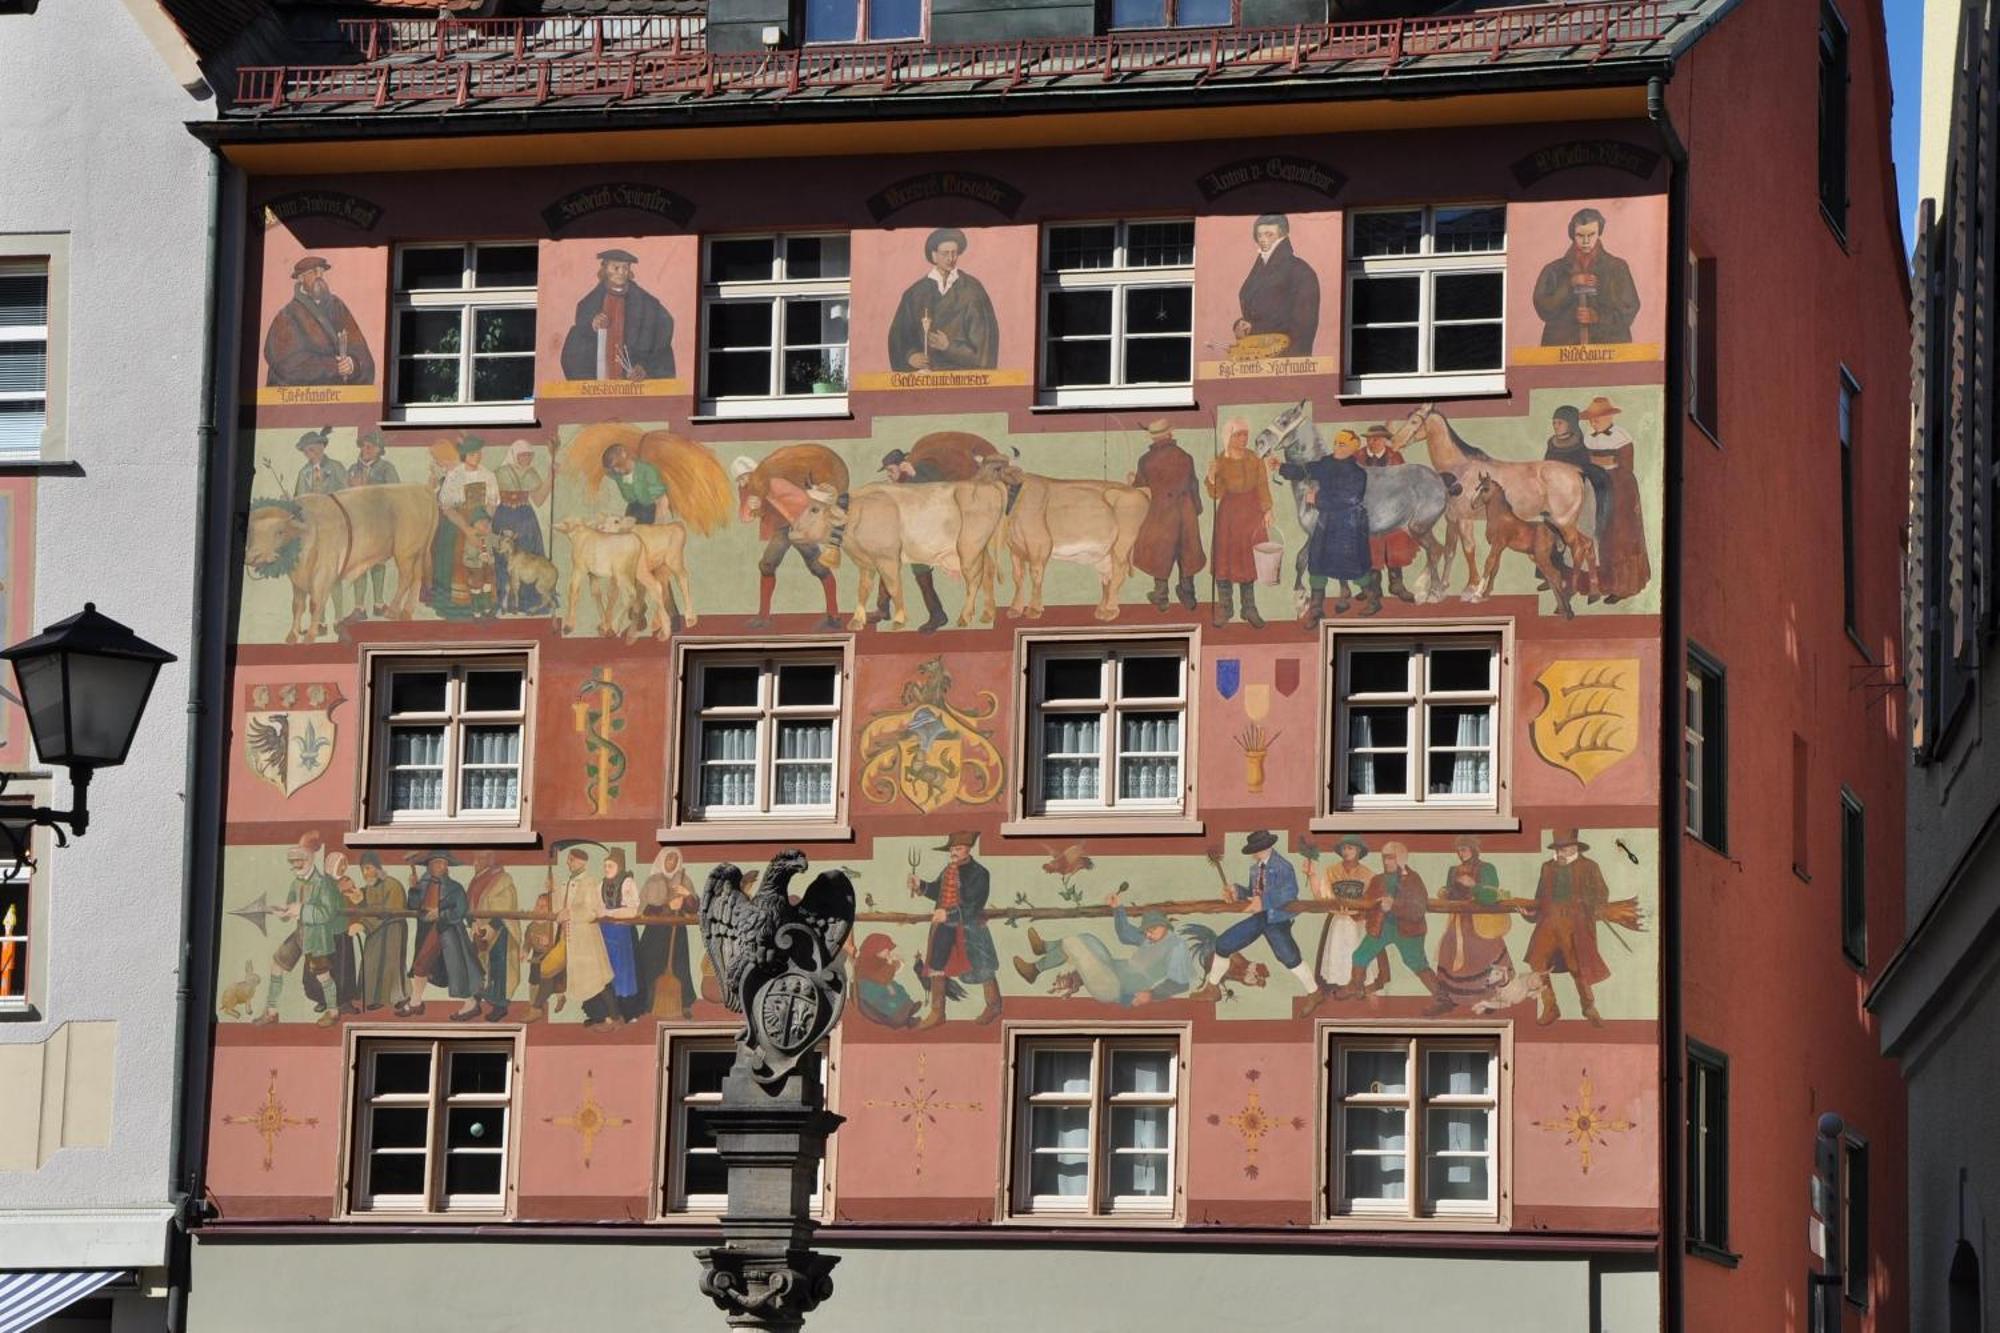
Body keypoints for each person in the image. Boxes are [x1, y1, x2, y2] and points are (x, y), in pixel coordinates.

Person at [1193, 830, 1318, 1000]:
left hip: (1277, 919)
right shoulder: (1254, 869)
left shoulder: (1283, 866)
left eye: (1256, 849)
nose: (1253, 853)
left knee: (1289, 957)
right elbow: (1252, 893)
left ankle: (1315, 993)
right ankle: (1212, 988)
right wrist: (1236, 891)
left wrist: (1264, 902)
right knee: (1223, 944)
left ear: (1266, 847)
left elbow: (1289, 893)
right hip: (1260, 918)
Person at [1013, 890, 1197, 1005]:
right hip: (1111, 970)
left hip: (1114, 987)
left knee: (1076, 945)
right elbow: (1125, 934)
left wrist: (1152, 994)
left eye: (1152, 929)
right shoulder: (1151, 939)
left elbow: (1180, 982)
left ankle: (1035, 968)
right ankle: (1044, 948)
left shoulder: (1175, 946)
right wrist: (1118, 908)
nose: (1147, 934)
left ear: (1165, 926)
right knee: (1086, 938)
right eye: (1146, 931)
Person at [733, 453, 845, 631]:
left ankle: (834, 615)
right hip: (781, 530)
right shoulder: (747, 490)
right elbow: (744, 517)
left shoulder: (774, 483)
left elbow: (802, 499)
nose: (744, 482)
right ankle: (764, 616)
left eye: (746, 477)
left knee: (819, 567)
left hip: (799, 525)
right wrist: (749, 506)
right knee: (767, 565)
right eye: (741, 479)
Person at [1279, 428, 1379, 625]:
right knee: (1316, 564)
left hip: (1349, 526)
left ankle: (1373, 600)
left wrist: (1317, 498)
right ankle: (1316, 610)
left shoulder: (1358, 474)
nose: (1336, 447)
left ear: (1353, 448)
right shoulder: (1326, 463)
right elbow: (1305, 470)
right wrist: (1281, 467)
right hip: (1327, 523)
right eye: (1336, 442)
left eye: (1342, 444)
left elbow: (1349, 498)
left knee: (1356, 568)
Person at [1338, 841, 1449, 1011]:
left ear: (1402, 858)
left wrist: (1394, 905)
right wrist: (1354, 912)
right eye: (1384, 858)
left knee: (1416, 963)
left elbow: (1419, 908)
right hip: (1381, 927)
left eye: (1390, 858)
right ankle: (1356, 986)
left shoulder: (1413, 879)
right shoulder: (1378, 880)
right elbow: (1367, 905)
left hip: (1408, 929)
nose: (1386, 862)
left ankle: (1442, 999)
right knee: (1360, 955)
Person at [909, 831, 999, 1027]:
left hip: (970, 928)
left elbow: (973, 905)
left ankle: (993, 1006)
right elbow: (937, 892)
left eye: (957, 849)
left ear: (968, 849)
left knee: (983, 968)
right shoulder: (949, 869)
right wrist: (921, 886)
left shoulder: (980, 873)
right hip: (945, 926)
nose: (954, 853)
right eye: (952, 849)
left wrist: (948, 914)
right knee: (937, 967)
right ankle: (937, 1013)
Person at [254, 833, 344, 1027]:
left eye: (299, 862)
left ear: (310, 858)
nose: (295, 866)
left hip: (317, 937)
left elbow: (327, 913)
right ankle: (271, 1012)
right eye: (293, 862)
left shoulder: (324, 883)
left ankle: (333, 1012)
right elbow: (291, 908)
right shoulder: (296, 883)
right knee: (277, 964)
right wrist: (284, 912)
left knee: (323, 975)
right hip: (300, 934)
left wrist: (301, 910)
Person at [1524, 829, 1612, 1025]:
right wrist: (1532, 914)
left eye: (1565, 848)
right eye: (1558, 848)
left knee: (1578, 966)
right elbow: (1540, 898)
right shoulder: (1547, 867)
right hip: (1548, 921)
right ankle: (1550, 1006)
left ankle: (1588, 1007)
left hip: (1575, 924)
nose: (1561, 852)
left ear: (1575, 848)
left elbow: (1602, 894)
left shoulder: (1589, 867)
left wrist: (1587, 902)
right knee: (1538, 962)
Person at [888, 227, 1000, 372]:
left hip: (963, 378)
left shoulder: (973, 290)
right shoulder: (915, 293)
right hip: (924, 380)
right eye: (945, 253)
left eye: (954, 253)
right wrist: (909, 356)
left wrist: (949, 347)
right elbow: (898, 337)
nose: (950, 258)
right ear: (934, 256)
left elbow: (985, 350)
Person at [560, 248, 675, 381]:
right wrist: (592, 325)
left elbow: (666, 325)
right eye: (616, 268)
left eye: (625, 268)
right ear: (604, 270)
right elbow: (580, 334)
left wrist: (645, 366)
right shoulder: (587, 304)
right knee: (575, 335)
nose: (621, 272)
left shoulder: (647, 303)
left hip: (635, 374)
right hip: (598, 377)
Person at [1532, 207, 1641, 346]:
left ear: (1599, 233)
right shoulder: (1553, 270)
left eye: (1591, 235)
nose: (1586, 241)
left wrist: (1598, 317)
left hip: (1610, 351)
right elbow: (1543, 307)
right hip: (1562, 351)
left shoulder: (1617, 267)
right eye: (1580, 235)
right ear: (1572, 234)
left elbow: (1630, 309)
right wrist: (1569, 284)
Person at [872, 447, 953, 633]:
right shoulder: (899, 484)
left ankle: (937, 615)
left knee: (923, 579)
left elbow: (939, 492)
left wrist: (914, 474)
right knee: (888, 566)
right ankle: (883, 608)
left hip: (925, 536)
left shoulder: (922, 472)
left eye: (891, 470)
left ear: (903, 466)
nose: (890, 475)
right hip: (906, 535)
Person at [1577, 397, 1650, 601]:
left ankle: (1623, 586)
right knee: (1595, 534)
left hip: (1620, 489)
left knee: (1618, 536)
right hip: (1596, 486)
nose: (1593, 422)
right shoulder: (1588, 438)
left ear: (1609, 416)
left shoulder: (1621, 436)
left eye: (1597, 418)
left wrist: (1603, 464)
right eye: (1591, 419)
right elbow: (1584, 462)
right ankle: (1601, 583)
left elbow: (1626, 466)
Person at [1205, 417, 1276, 628]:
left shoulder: (1254, 459)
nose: (1244, 438)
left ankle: (1249, 608)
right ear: (1229, 437)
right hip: (1229, 515)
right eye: (1239, 435)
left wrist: (1267, 509)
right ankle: (1226, 607)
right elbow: (1215, 494)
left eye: (1245, 434)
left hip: (1251, 513)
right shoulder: (1221, 461)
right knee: (1224, 560)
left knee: (1248, 561)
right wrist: (1210, 477)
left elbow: (1262, 485)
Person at [1129, 420, 1206, 613]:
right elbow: (1193, 484)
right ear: (1170, 434)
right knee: (1187, 553)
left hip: (1161, 513)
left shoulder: (1145, 460)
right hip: (1185, 511)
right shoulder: (1186, 457)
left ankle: (1161, 596)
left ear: (1153, 437)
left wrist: (1131, 482)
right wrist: (1195, 509)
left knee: (1160, 553)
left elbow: (1141, 489)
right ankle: (1188, 595)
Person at [265, 255, 375, 387]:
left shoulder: (337, 306)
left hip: (339, 397)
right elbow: (288, 362)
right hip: (298, 399)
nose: (319, 276)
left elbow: (360, 348)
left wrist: (352, 364)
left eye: (321, 271)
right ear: (300, 278)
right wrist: (335, 367)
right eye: (313, 272)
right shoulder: (287, 315)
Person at [1433, 836, 1515, 1010]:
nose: (1461, 853)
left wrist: (1474, 886)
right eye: (1459, 850)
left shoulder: (1487, 868)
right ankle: (1450, 999)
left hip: (1481, 920)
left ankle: (1492, 1000)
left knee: (1485, 954)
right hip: (1458, 920)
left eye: (1465, 849)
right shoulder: (1453, 870)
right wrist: (1446, 892)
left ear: (1474, 849)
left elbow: (1492, 895)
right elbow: (1451, 894)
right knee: (1449, 950)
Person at [1543, 405, 1614, 601]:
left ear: (1571, 424)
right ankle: (1556, 576)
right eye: (1554, 423)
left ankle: (1591, 583)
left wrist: (1563, 473)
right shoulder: (1552, 444)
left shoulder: (1579, 445)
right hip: (1558, 494)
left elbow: (1581, 469)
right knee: (1550, 532)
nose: (1555, 426)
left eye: (1559, 422)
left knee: (1584, 537)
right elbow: (1546, 466)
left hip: (1580, 493)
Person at [400, 850, 479, 1020]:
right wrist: (413, 889)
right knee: (421, 965)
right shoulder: (422, 884)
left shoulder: (455, 887)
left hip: (448, 932)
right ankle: (415, 1002)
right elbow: (413, 906)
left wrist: (440, 914)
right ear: (429, 865)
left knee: (456, 969)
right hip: (426, 931)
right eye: (437, 863)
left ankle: (470, 1003)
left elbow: (460, 910)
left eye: (444, 863)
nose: (441, 866)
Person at [1232, 214, 1320, 357]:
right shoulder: (1261, 266)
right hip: (1256, 354)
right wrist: (1241, 324)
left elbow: (1303, 324)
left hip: (1285, 358)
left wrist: (1254, 328)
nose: (1263, 240)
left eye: (1269, 234)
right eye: (1259, 235)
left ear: (1282, 236)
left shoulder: (1300, 271)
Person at [430, 437, 499, 618]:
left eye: (478, 453)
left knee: (484, 564)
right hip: (458, 523)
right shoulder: (455, 476)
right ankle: (462, 606)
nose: (477, 457)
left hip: (482, 522)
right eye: (472, 454)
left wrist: (485, 524)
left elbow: (492, 504)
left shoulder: (488, 475)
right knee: (459, 559)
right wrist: (467, 530)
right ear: (464, 455)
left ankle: (484, 605)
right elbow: (447, 507)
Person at [633, 847, 697, 1020]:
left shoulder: (684, 881)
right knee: (650, 966)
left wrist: (687, 895)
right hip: (655, 932)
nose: (672, 863)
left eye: (675, 860)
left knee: (680, 967)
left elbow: (694, 908)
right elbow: (644, 909)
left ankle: (684, 1004)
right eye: (669, 859)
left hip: (677, 931)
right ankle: (649, 1003)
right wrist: (668, 907)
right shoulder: (652, 881)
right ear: (662, 860)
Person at [492, 438, 553, 615]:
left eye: (529, 455)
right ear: (514, 455)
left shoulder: (531, 473)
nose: (526, 458)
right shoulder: (501, 472)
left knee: (527, 558)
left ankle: (527, 602)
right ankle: (503, 601)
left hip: (526, 521)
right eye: (523, 455)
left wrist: (551, 476)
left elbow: (539, 500)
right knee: (502, 558)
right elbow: (491, 497)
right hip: (503, 517)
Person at [1358, 423, 1418, 602]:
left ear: (1384, 440)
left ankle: (1396, 585)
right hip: (1367, 512)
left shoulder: (1395, 457)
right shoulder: (1358, 456)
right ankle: (1373, 589)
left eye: (1376, 438)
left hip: (1391, 511)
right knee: (1370, 550)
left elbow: (1404, 482)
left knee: (1395, 547)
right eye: (1369, 438)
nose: (1372, 442)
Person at [346, 432, 401, 617]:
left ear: (379, 449)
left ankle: (378, 603)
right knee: (359, 565)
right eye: (363, 446)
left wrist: (366, 490)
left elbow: (395, 495)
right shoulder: (353, 469)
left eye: (370, 446)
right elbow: (344, 496)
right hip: (358, 525)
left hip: (380, 525)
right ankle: (359, 607)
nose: (365, 450)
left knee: (378, 563)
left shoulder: (387, 468)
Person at [558, 846, 616, 1023]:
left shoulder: (588, 882)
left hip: (586, 937)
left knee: (596, 979)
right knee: (583, 980)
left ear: (581, 862)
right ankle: (596, 1015)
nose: (568, 862)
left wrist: (570, 914)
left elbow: (591, 911)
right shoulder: (569, 882)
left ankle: (613, 1016)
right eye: (569, 859)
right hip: (573, 936)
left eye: (571, 859)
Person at [1311, 835, 1374, 996]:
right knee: (1338, 949)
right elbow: (1323, 897)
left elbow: (1371, 899)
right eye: (1344, 848)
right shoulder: (1331, 871)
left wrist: (1359, 912)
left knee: (1356, 948)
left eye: (1350, 848)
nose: (1346, 851)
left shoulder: (1368, 874)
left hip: (1357, 921)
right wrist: (1311, 876)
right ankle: (1338, 983)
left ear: (1359, 851)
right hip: (1338, 919)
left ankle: (1357, 983)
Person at [465, 852, 520, 1023]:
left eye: (480, 859)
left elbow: (505, 907)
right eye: (475, 859)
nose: (475, 863)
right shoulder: (476, 880)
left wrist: (491, 927)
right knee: (477, 965)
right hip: (478, 929)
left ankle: (500, 1005)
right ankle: (475, 1002)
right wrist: (473, 922)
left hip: (500, 930)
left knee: (499, 967)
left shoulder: (503, 879)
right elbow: (470, 905)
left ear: (490, 860)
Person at [352, 851, 409, 1013]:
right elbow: (367, 908)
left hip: (393, 931)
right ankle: (374, 998)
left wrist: (364, 925)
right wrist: (360, 901)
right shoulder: (368, 888)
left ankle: (400, 999)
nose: (365, 873)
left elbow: (390, 911)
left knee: (392, 965)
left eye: (368, 868)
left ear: (377, 868)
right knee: (371, 963)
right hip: (374, 932)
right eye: (362, 869)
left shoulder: (393, 885)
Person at [591, 849, 642, 1029]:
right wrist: (602, 913)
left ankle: (629, 1014)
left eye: (610, 865)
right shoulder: (601, 885)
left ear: (619, 866)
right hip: (605, 933)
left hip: (622, 933)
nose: (606, 868)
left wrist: (610, 913)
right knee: (606, 973)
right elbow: (597, 908)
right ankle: (611, 1014)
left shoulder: (627, 882)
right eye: (605, 865)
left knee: (624, 975)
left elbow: (633, 909)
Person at [522, 856, 570, 1023]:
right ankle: (534, 1006)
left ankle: (558, 999)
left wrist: (549, 943)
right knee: (534, 981)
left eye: (544, 906)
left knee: (555, 981)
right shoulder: (532, 925)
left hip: (550, 954)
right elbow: (527, 941)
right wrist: (524, 951)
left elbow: (557, 940)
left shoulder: (553, 924)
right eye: (538, 905)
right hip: (536, 955)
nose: (540, 909)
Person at [854, 933, 923, 1028]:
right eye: (886, 950)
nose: (888, 952)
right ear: (876, 949)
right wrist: (890, 965)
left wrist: (893, 964)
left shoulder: (876, 959)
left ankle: (908, 1010)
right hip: (871, 994)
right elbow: (882, 977)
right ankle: (906, 1017)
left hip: (879, 985)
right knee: (889, 1001)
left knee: (897, 990)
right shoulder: (866, 963)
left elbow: (886, 974)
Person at [293, 428, 346, 498]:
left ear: (321, 447)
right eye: (305, 452)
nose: (308, 454)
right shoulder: (303, 472)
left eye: (311, 449)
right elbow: (300, 498)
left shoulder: (336, 467)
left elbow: (346, 492)